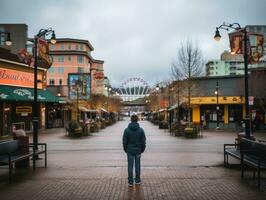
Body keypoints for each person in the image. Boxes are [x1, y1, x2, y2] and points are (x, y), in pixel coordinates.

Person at [123, 115, 146, 186]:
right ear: (137, 120)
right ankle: (137, 180)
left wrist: (125, 149)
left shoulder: (126, 130)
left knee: (130, 166)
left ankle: (130, 182)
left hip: (129, 150)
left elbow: (124, 141)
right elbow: (143, 141)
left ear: (131, 120)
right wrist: (142, 149)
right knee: (137, 165)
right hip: (138, 150)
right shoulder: (141, 130)